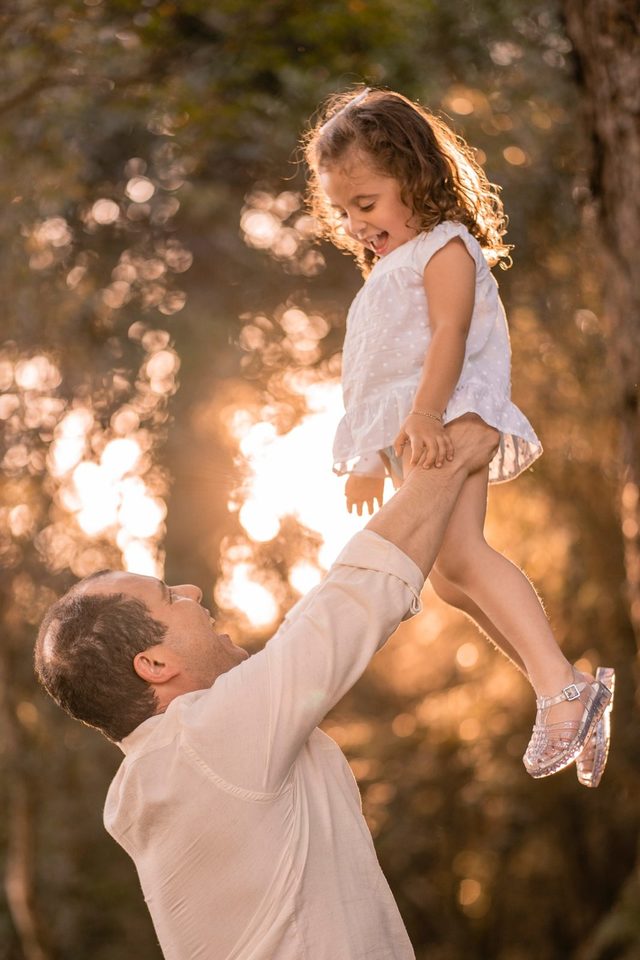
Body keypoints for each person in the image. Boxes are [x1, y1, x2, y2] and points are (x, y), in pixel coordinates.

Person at [37, 416, 500, 960]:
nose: (192, 589)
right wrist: (446, 463)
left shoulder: (148, 784)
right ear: (155, 663)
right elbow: (346, 606)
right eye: (169, 597)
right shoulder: (200, 744)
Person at [303, 86, 614, 784]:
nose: (355, 224)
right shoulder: (389, 268)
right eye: (343, 212)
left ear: (413, 178)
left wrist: (423, 416)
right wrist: (368, 456)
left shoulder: (442, 248)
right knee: (448, 580)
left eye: (366, 204)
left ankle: (563, 689)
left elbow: (449, 335)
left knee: (466, 556)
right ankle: (562, 685)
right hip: (419, 431)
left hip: (450, 418)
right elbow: (376, 377)